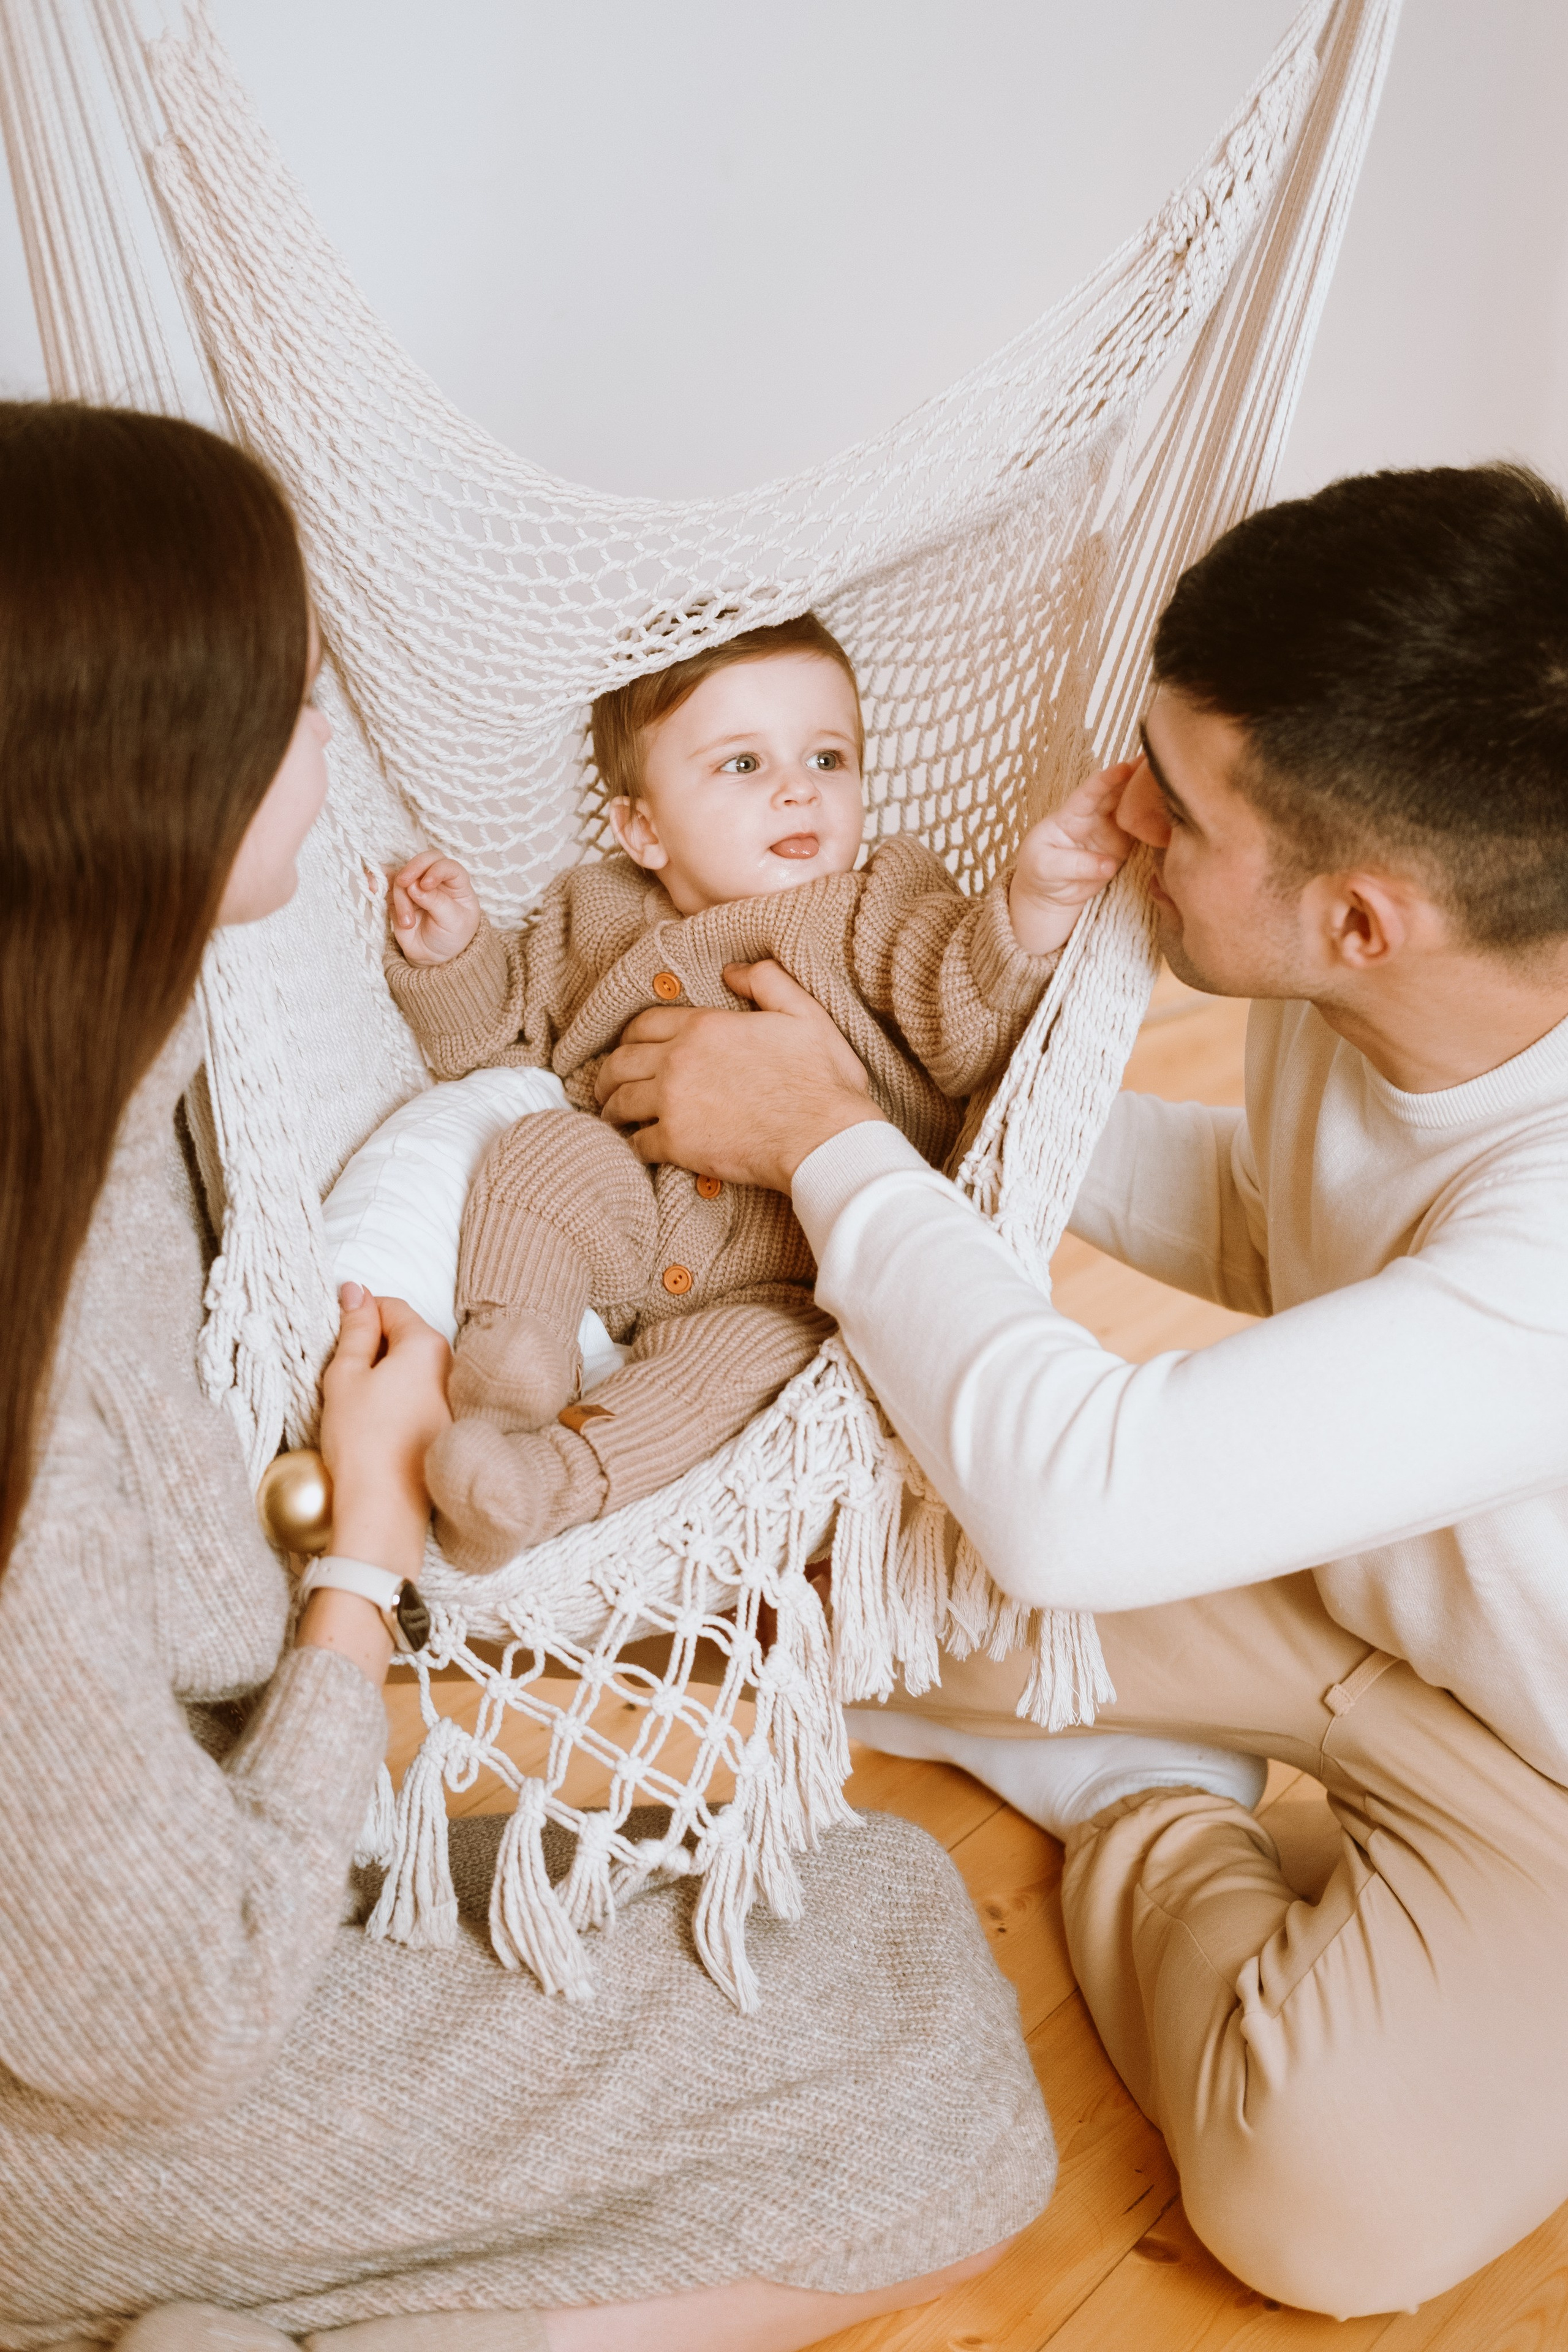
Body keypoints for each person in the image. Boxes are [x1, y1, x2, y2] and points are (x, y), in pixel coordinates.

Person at [0, 402, 1055, 2352]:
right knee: (948, 2132)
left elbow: (975, 996)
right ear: (152, 767)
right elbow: (165, 2012)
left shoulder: (101, 1069)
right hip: (110, 2078)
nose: (336, 740)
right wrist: (360, 1559)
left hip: (173, 1856)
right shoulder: (33, 1376)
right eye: (303, 698)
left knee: (891, 1910)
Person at [592, 462, 1568, 2322]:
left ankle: (1135, 1797)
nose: (1121, 808)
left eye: (1178, 809)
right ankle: (1146, 1734)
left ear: (1361, 919)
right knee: (726, 1586)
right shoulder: (1406, 988)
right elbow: (1275, 1214)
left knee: (1325, 2209)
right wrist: (903, 1125)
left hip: (1544, 1773)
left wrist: (827, 1151)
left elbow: (1077, 1500)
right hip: (1342, 1583)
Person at [380, 614, 1129, 1569]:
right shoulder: (593, 911)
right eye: (743, 766)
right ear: (642, 827)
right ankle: (504, 1385)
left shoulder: (878, 907)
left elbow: (966, 1020)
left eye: (828, 758)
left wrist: (1031, 910)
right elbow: (501, 1043)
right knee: (537, 1153)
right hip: (628, 1217)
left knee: (748, 1366)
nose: (795, 790)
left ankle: (540, 1484)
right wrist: (453, 958)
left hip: (787, 1275)